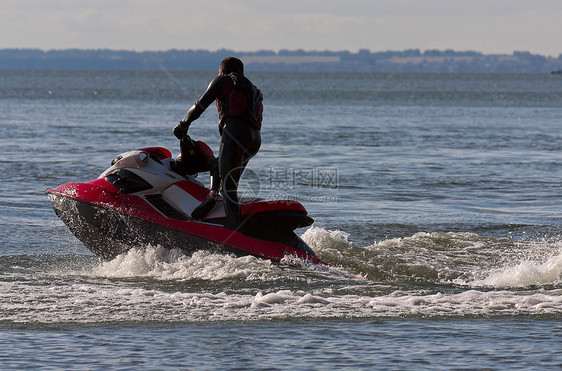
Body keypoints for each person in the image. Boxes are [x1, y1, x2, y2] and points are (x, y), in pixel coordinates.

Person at [173, 57, 263, 228]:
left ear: (222, 71)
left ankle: (233, 232)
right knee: (217, 165)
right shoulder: (253, 88)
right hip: (254, 140)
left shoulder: (224, 80)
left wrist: (183, 124)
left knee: (229, 188)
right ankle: (212, 195)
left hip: (235, 132)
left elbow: (199, 106)